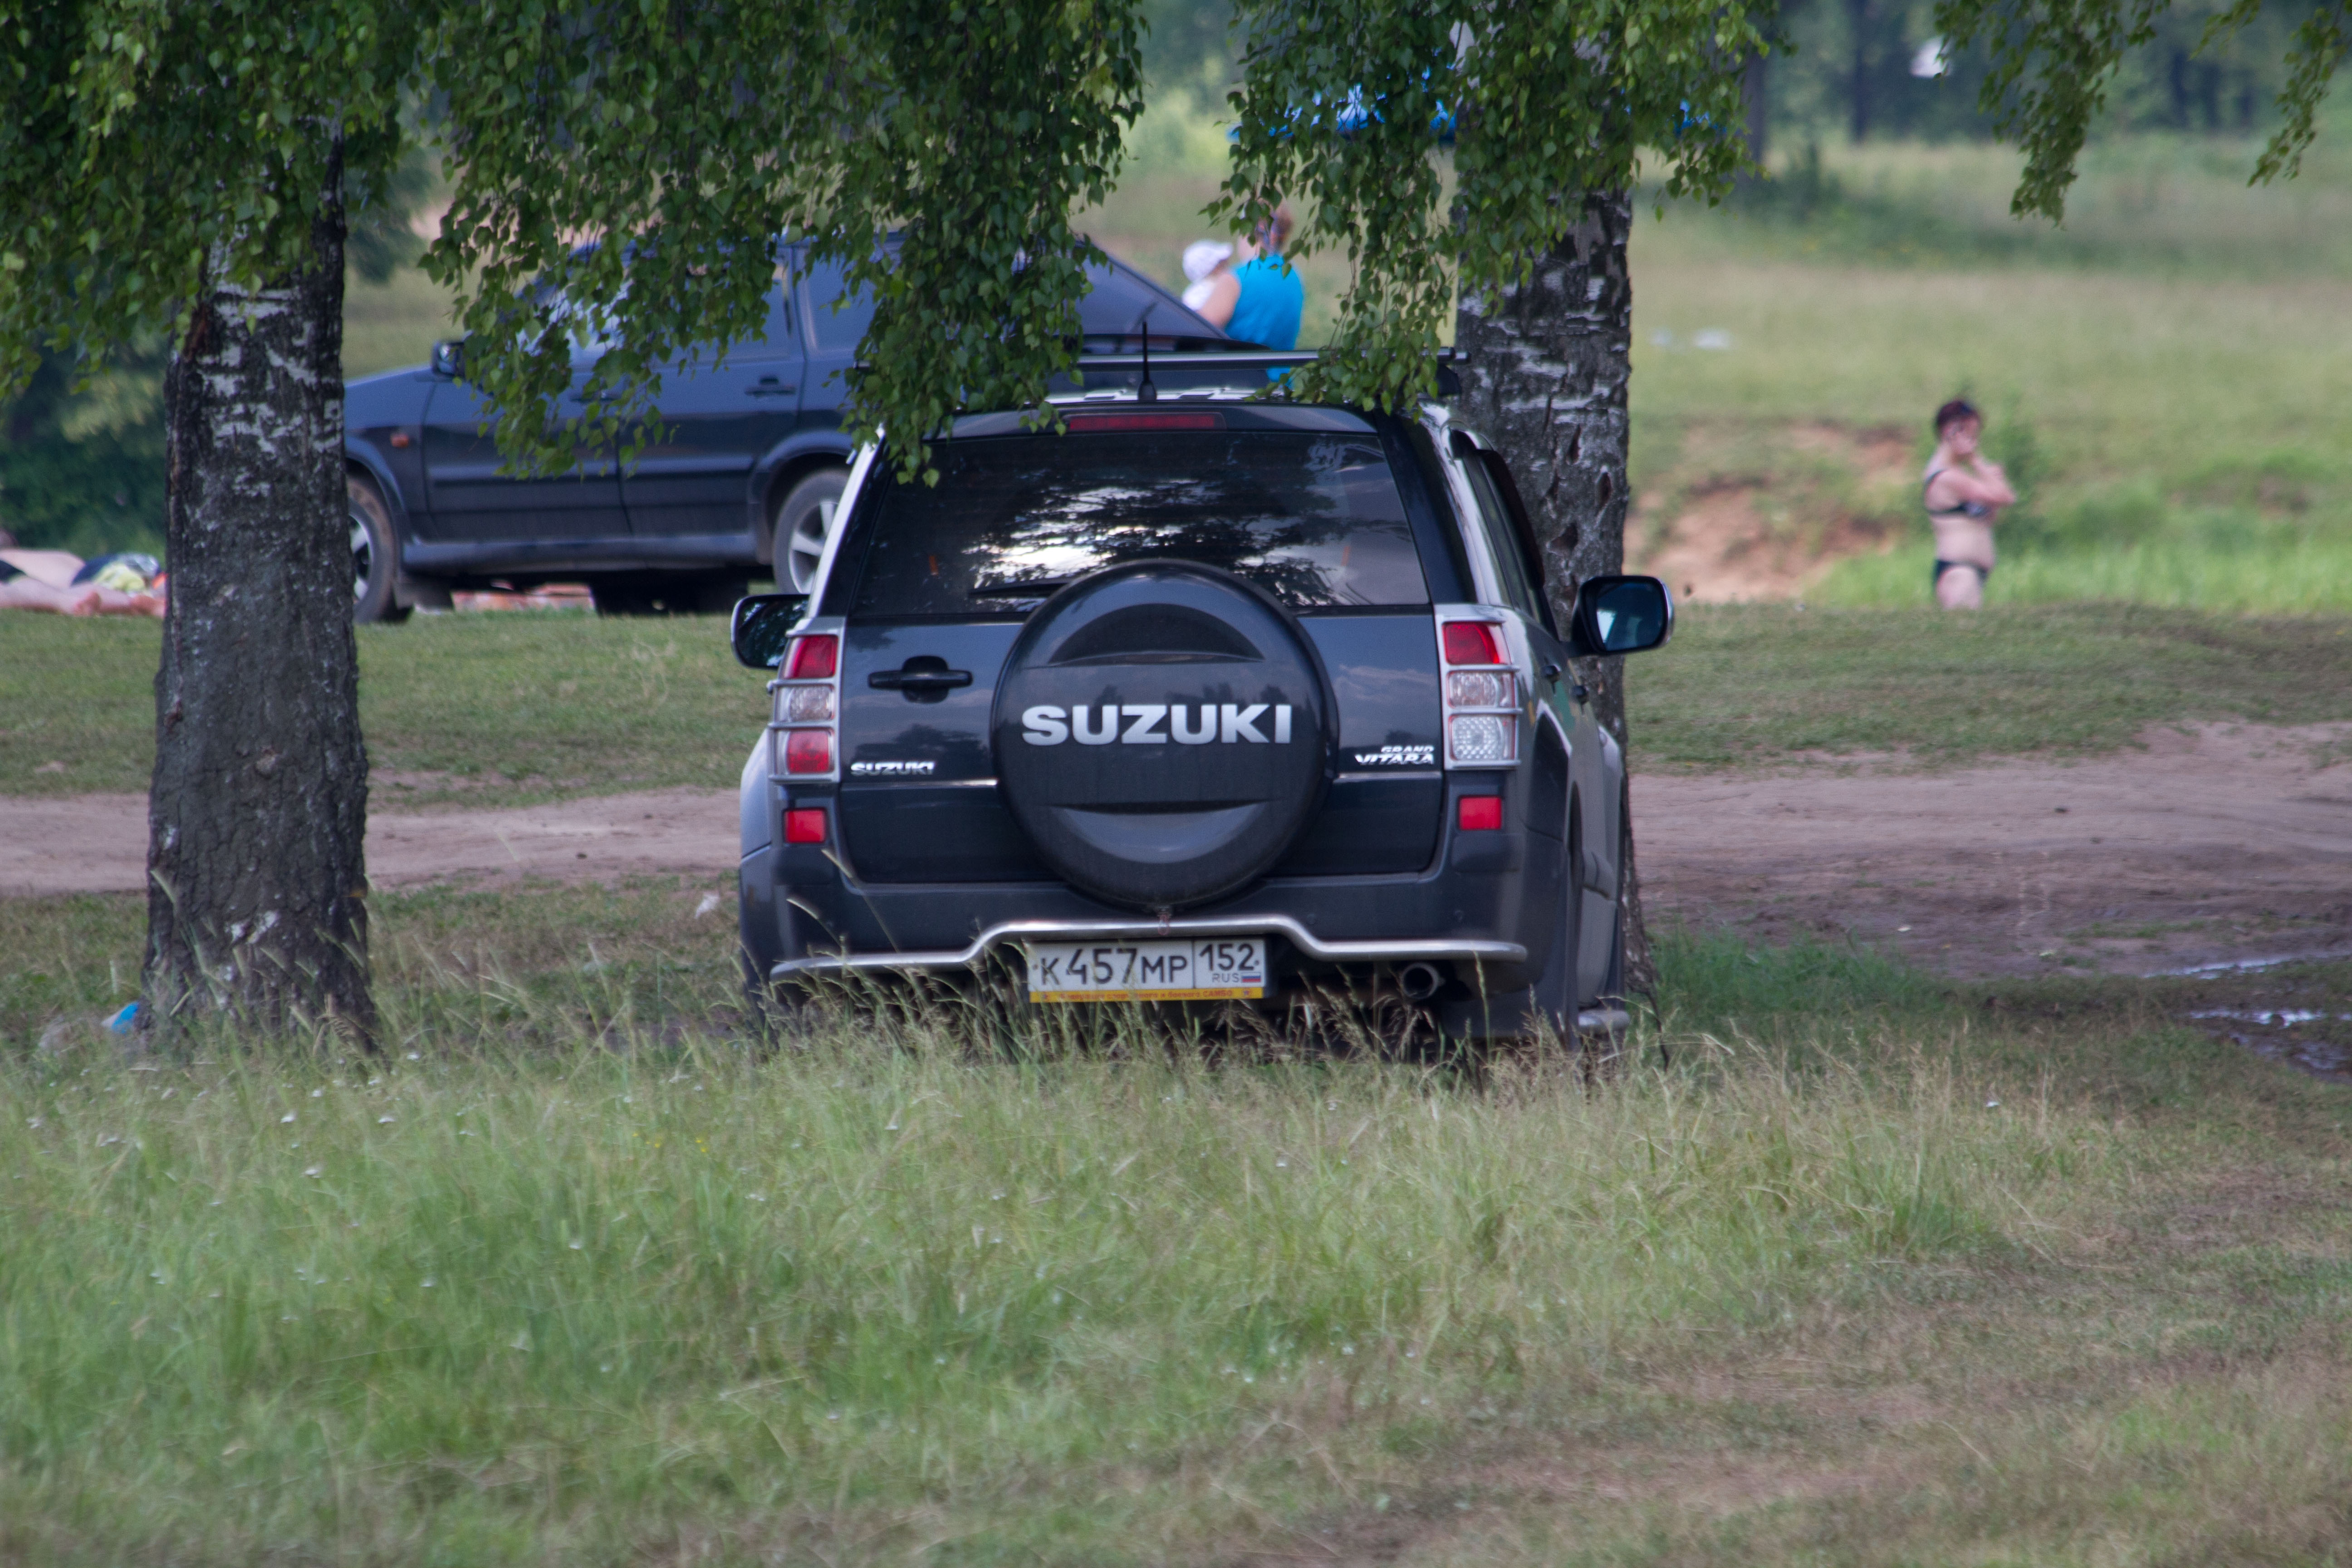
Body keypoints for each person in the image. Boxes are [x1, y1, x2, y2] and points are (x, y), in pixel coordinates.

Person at [1922, 399, 2014, 610]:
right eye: (1971, 437)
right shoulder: (1945, 476)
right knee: (1963, 627)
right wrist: (1976, 461)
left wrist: (1991, 483)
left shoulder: (1958, 473)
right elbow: (2006, 497)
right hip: (1959, 572)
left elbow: (1988, 518)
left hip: (1972, 573)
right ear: (1952, 433)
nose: (1975, 444)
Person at [1191, 205, 1304, 351]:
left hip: (1241, 365)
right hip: (1282, 366)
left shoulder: (1235, 279)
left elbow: (1196, 331)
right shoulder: (1293, 276)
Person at [1180, 240, 1232, 314]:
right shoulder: (1212, 292)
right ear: (1216, 268)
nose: (1228, 266)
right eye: (1223, 263)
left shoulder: (1191, 295)